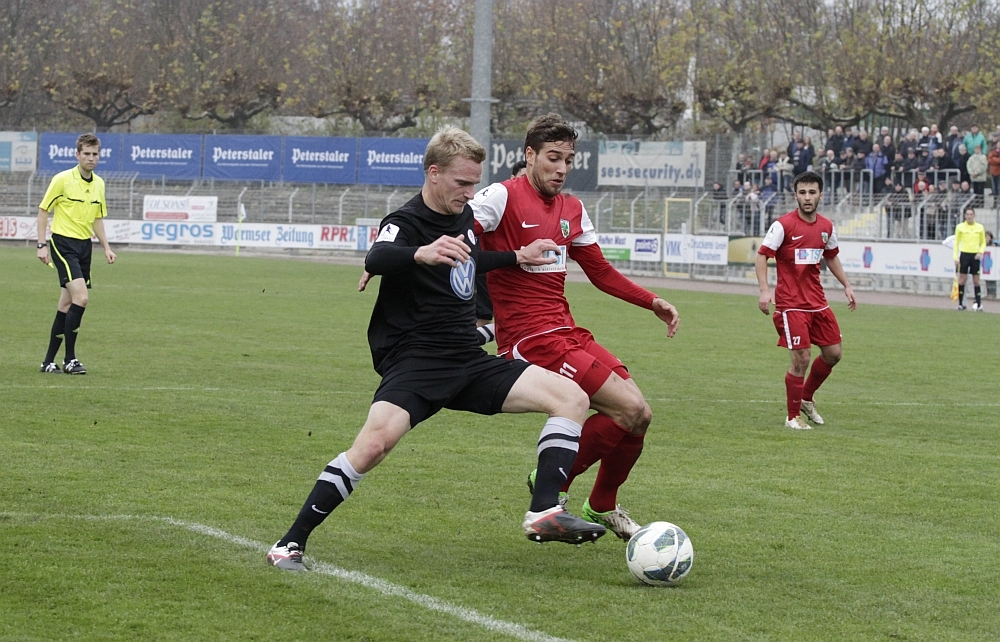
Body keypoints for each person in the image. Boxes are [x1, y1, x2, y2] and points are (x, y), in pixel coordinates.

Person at [266, 127, 606, 571]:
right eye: (462, 183)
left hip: (465, 360)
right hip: (418, 363)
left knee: (571, 397)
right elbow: (377, 257)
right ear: (434, 173)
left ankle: (543, 510)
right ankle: (289, 544)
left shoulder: (462, 216)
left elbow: (470, 258)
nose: (470, 193)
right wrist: (418, 254)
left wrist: (515, 256)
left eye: (474, 183)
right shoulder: (406, 221)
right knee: (372, 447)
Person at [470, 113, 680, 541]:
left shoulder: (572, 208)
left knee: (640, 416)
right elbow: (456, 241)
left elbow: (600, 272)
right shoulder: (501, 196)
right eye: (553, 158)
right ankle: (551, 485)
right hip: (530, 339)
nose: (562, 168)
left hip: (566, 331)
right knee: (629, 409)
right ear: (529, 155)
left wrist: (651, 301)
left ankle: (601, 505)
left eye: (568, 160)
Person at [755, 171, 857, 430]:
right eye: (802, 192)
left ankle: (806, 398)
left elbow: (831, 256)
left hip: (817, 302)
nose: (807, 197)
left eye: (812, 192)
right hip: (791, 304)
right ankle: (792, 417)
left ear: (821, 195)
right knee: (801, 359)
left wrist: (846, 285)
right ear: (796, 196)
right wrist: (765, 290)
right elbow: (762, 255)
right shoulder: (783, 225)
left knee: (833, 353)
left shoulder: (826, 227)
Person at [35, 133, 116, 375]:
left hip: (84, 247)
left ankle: (48, 362)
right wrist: (41, 245)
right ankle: (70, 359)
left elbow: (97, 218)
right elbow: (43, 212)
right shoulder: (62, 180)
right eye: (86, 154)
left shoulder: (99, 184)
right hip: (63, 244)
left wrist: (106, 247)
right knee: (81, 298)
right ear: (77, 154)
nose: (91, 158)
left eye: (95, 154)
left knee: (66, 303)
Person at [474, 160, 528, 346]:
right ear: (512, 178)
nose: (528, 182)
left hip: (517, 274)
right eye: (523, 177)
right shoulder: (500, 199)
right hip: (490, 269)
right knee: (484, 317)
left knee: (519, 321)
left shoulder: (534, 206)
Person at [953, 207, 986, 311]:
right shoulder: (960, 227)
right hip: (964, 255)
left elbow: (983, 242)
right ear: (965, 216)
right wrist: (955, 257)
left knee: (976, 281)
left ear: (974, 215)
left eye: (971, 214)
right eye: (967, 214)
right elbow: (956, 243)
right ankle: (961, 304)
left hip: (975, 255)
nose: (969, 216)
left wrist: (980, 252)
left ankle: (979, 304)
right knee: (962, 280)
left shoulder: (980, 227)